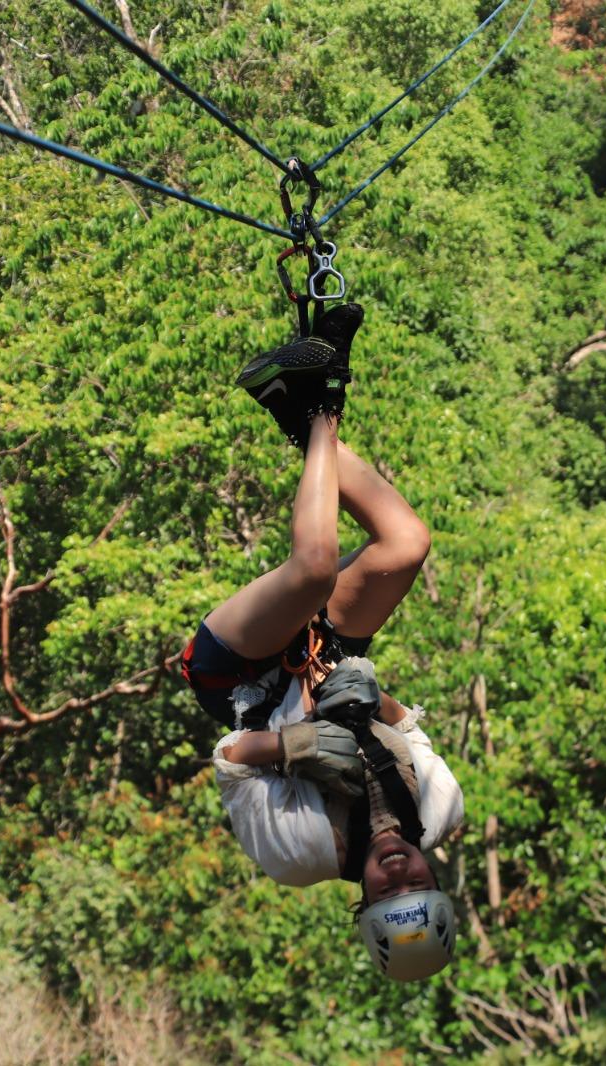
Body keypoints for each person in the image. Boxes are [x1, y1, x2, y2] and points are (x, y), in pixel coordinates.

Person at [178, 302, 464, 981]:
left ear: (365, 903)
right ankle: (293, 405)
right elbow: (407, 729)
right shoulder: (439, 806)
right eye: (416, 884)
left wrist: (293, 746)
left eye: (387, 893)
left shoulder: (299, 855)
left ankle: (321, 402)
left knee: (312, 571)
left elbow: (230, 756)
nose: (398, 872)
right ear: (435, 879)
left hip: (242, 676)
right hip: (327, 660)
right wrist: (370, 695)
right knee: (406, 542)